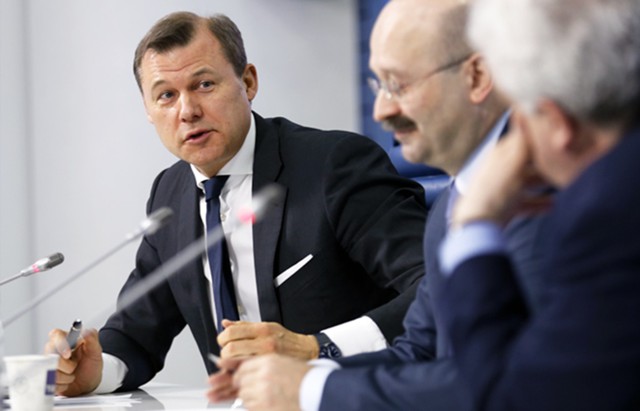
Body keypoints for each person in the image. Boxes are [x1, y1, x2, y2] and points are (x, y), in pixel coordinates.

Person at [44, 11, 428, 395]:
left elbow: (436, 287)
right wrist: (97, 373)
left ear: (248, 82)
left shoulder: (334, 165)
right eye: (166, 95)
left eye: (204, 85)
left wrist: (317, 347)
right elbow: (136, 333)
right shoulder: (170, 195)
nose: (187, 111)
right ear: (148, 110)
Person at [207, 1, 548, 410]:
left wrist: (310, 390)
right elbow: (416, 351)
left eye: (399, 85)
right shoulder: (451, 206)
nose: (382, 110)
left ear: (476, 77)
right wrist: (289, 379)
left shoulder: (546, 193)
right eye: (378, 86)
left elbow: (510, 385)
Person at [436, 0, 640, 410]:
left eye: (518, 114)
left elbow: (516, 399)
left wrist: (474, 225)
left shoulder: (606, 211)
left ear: (557, 123)